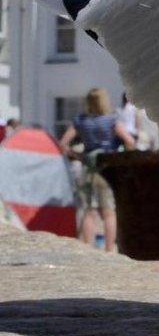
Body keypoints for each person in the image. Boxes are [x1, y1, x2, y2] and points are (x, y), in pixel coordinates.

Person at [58, 88, 135, 252]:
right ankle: (108, 249)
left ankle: (88, 248)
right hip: (106, 170)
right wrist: (121, 158)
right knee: (108, 212)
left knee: (88, 211)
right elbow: (129, 141)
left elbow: (62, 144)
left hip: (87, 168)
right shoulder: (111, 120)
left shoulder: (80, 121)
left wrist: (77, 155)